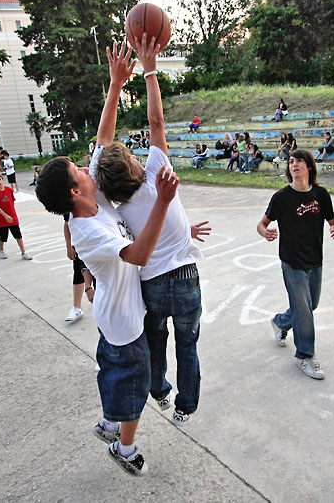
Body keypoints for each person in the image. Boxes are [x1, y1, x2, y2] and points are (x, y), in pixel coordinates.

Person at [35, 44, 182, 478]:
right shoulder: (88, 231)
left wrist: (116, 83)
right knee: (134, 383)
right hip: (123, 322)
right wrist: (164, 202)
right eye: (79, 170)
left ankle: (108, 424)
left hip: (115, 313)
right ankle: (124, 446)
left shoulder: (91, 196)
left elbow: (103, 138)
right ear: (75, 191)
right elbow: (138, 254)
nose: (87, 167)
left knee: (117, 375)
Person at [91, 37, 211, 429]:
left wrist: (115, 86)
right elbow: (156, 122)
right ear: (132, 165)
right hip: (186, 277)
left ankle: (159, 389)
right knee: (188, 345)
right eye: (130, 154)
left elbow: (102, 145)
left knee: (156, 341)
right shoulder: (158, 173)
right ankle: (185, 406)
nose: (134, 153)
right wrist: (150, 70)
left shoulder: (114, 203)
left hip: (152, 283)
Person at [257, 149, 334, 380]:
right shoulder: (281, 197)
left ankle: (280, 322)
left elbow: (333, 220)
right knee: (304, 311)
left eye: (299, 161)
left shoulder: (321, 194)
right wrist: (265, 232)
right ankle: (305, 356)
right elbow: (261, 224)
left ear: (309, 166)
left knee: (310, 304)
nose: (294, 165)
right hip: (292, 262)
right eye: (291, 162)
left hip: (315, 260)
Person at [0, 174, 32, 260]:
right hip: (2, 219)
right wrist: (5, 216)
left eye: (0, 179)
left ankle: (23, 252)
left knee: (18, 235)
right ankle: (1, 250)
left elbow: (12, 202)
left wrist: (12, 213)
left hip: (12, 218)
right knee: (2, 237)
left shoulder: (9, 190)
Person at [63, 213, 85, 322]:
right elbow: (67, 224)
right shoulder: (70, 206)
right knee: (78, 273)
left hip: (96, 244)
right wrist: (69, 246)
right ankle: (77, 307)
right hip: (79, 245)